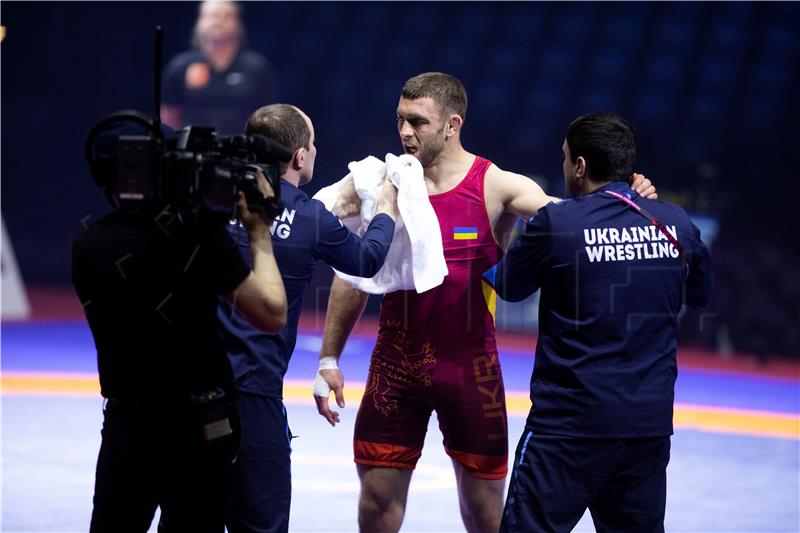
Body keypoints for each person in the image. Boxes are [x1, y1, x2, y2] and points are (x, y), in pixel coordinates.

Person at [312, 72, 658, 533]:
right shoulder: (382, 183)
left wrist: (625, 202)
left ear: (453, 125)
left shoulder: (494, 185)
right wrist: (328, 356)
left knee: (485, 515)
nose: (404, 133)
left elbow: (569, 217)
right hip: (395, 368)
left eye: (418, 122)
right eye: (400, 120)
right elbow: (354, 273)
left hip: (471, 371)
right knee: (376, 505)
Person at [492, 112, 713, 532]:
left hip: (567, 432)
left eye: (564, 159)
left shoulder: (558, 224)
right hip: (645, 432)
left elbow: (508, 285)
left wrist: (492, 226)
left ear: (579, 166)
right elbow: (700, 295)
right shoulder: (677, 224)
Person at [73, 120, 288, 532]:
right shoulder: (198, 238)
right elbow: (271, 313)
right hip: (202, 425)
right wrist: (258, 231)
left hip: (127, 423)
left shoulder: (87, 244)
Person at [219, 103, 399, 533]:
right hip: (253, 397)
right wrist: (386, 205)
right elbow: (367, 259)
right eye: (312, 143)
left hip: (189, 394)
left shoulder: (210, 197)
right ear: (300, 157)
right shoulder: (309, 217)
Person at [161, 0, 278, 134]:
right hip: (194, 151)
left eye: (226, 16)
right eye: (211, 16)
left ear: (239, 24)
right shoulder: (180, 66)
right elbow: (169, 116)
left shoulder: (258, 68)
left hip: (242, 150)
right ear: (198, 23)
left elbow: (270, 118)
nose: (218, 21)